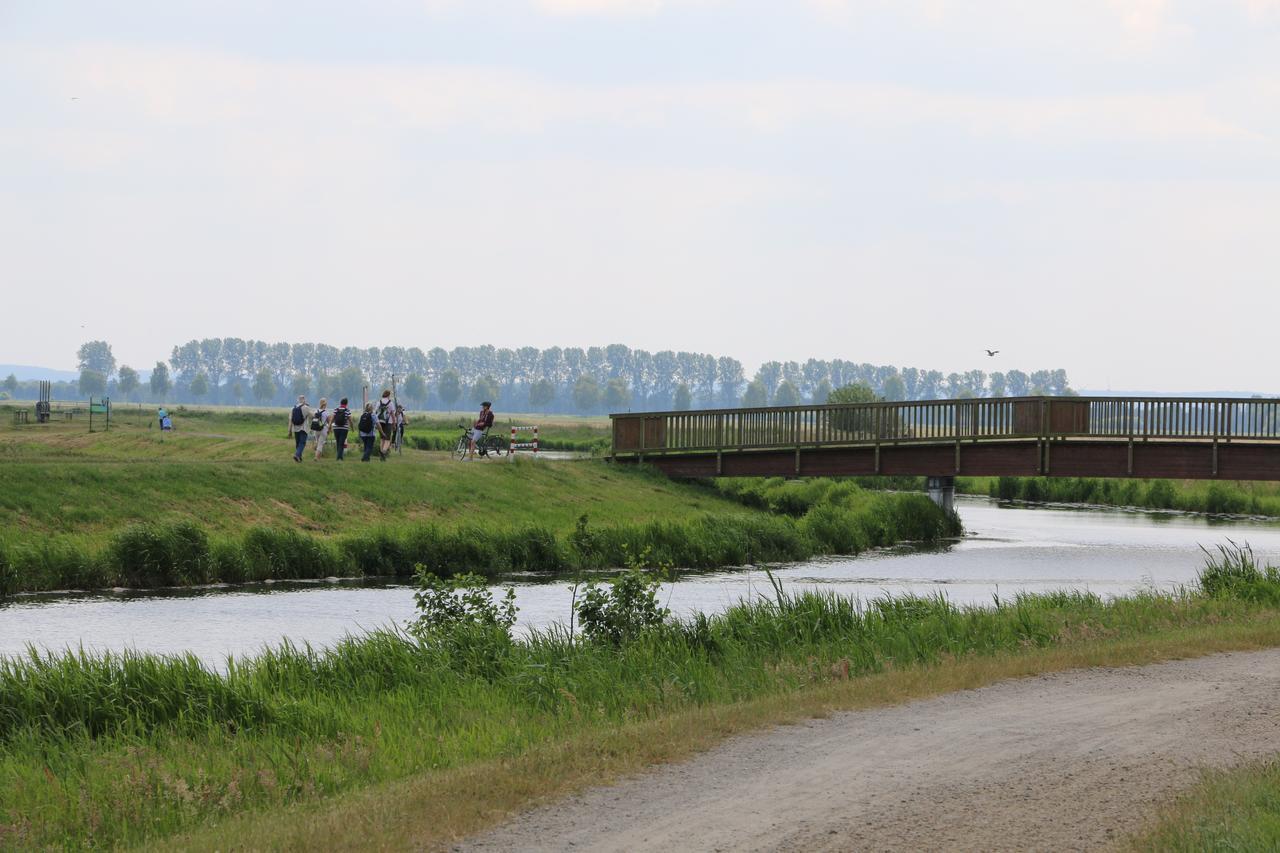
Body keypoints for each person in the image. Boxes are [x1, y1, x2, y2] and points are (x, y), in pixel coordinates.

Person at [288, 395, 311, 463]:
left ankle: (299, 459)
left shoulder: (293, 408)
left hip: (295, 428)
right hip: (303, 428)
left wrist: (289, 431)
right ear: (304, 399)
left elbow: (290, 420)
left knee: (298, 444)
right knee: (302, 443)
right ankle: (297, 455)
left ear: (298, 400)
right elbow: (312, 415)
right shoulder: (306, 407)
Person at [375, 390, 396, 461]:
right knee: (387, 440)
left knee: (382, 439)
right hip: (388, 422)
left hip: (380, 422)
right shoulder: (390, 403)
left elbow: (376, 412)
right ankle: (383, 452)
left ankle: (381, 455)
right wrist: (394, 423)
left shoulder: (379, 402)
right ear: (388, 395)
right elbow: (393, 414)